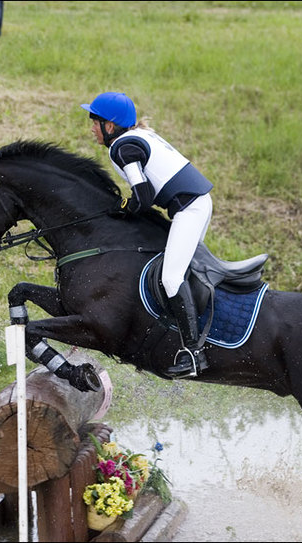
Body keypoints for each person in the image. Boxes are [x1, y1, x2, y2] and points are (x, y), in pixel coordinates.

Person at [81, 92, 214, 378]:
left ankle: (194, 354)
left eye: (96, 122)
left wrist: (120, 209)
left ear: (111, 126)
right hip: (195, 204)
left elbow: (142, 195)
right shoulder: (137, 136)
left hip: (190, 210)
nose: (92, 128)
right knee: (177, 273)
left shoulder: (121, 147)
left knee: (171, 277)